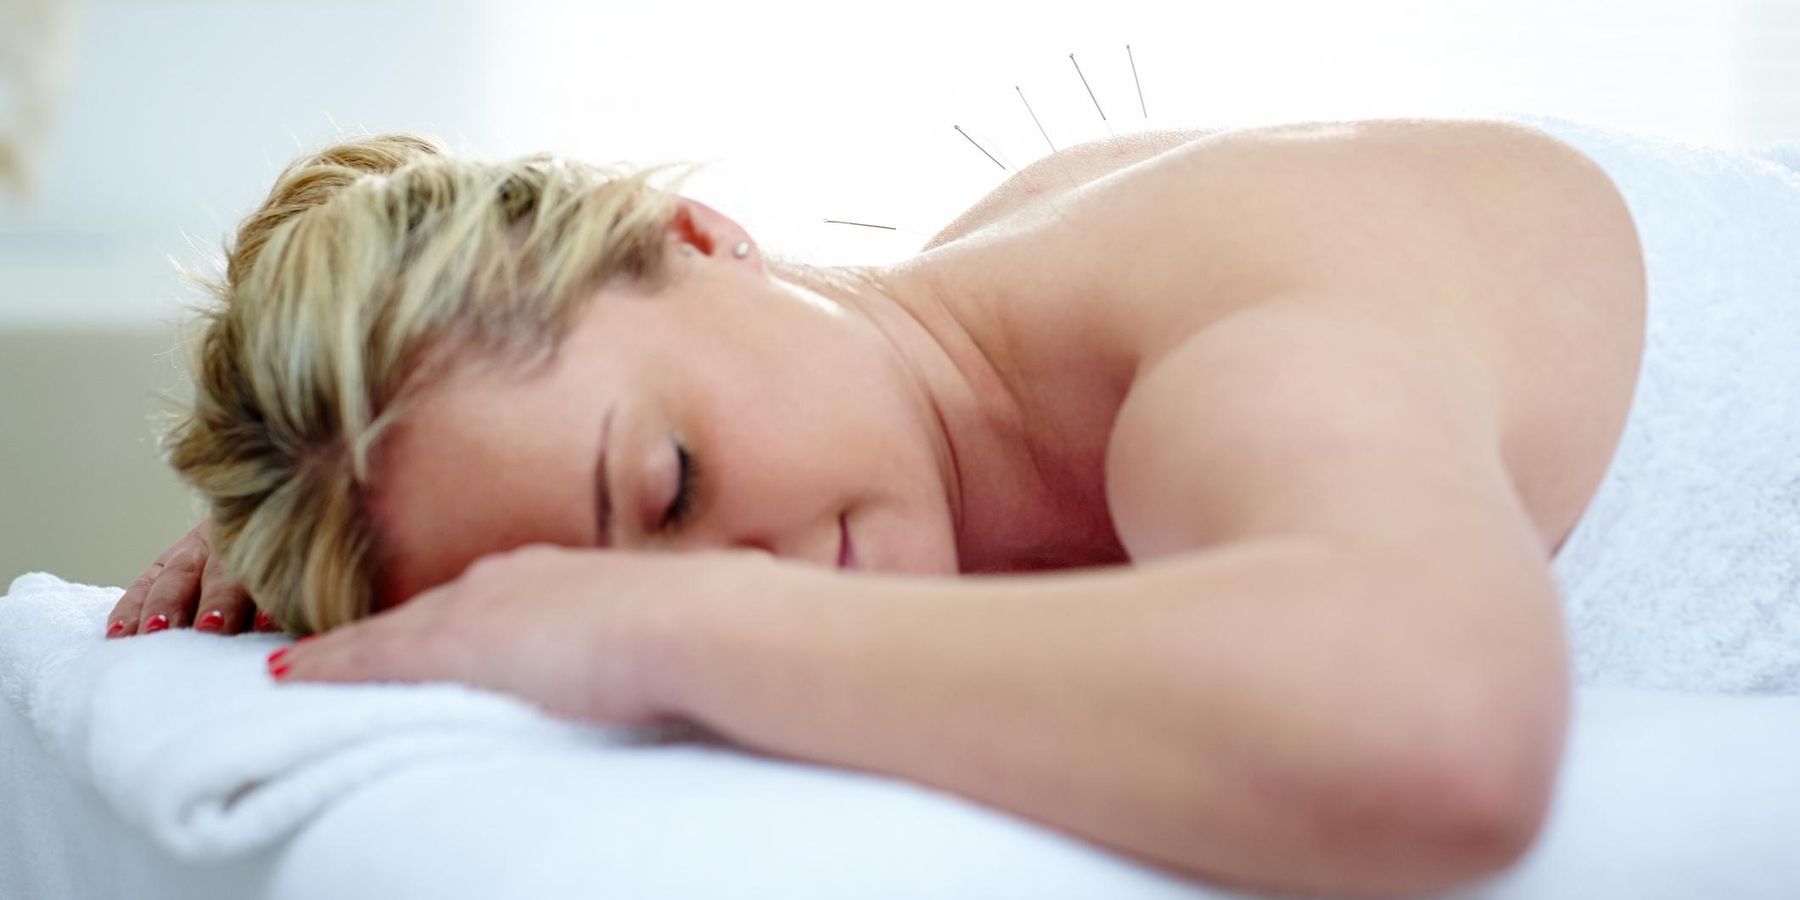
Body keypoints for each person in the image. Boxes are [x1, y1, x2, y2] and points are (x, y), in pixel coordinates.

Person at [102, 120, 1651, 896]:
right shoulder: (939, 396)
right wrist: (315, 532)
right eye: (584, 582)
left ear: (697, 235)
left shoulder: (1217, 336)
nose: (753, 572)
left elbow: (1441, 739)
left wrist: (662, 623)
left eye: (671, 485)